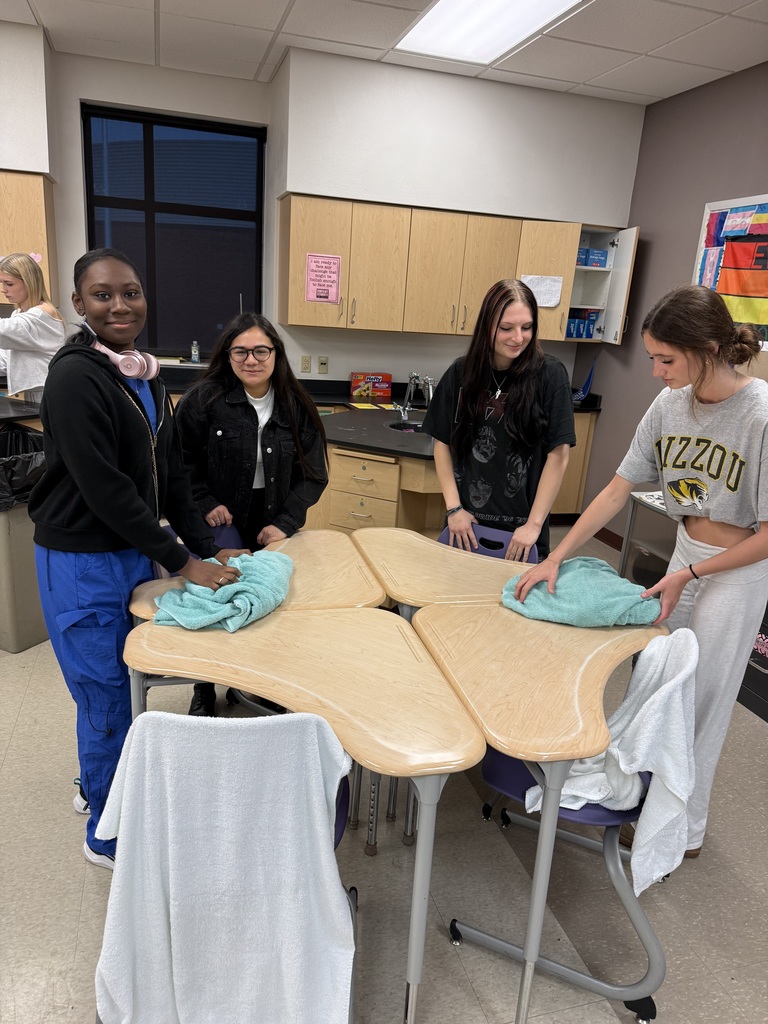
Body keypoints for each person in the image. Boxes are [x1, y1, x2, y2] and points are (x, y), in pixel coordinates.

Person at [514, 283, 768, 858]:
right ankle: (640, 797)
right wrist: (554, 556)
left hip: (735, 572)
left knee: (700, 700)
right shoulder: (669, 404)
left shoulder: (760, 414)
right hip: (685, 554)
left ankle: (684, 829)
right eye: (653, 357)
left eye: (666, 359)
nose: (656, 371)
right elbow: (616, 489)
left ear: (708, 349)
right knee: (656, 684)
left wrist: (691, 576)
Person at [28, 248, 246, 871]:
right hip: (82, 559)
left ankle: (95, 783)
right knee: (104, 693)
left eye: (131, 292)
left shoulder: (144, 375)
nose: (120, 305)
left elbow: (169, 474)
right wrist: (183, 562)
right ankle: (106, 833)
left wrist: (205, 549)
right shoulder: (76, 378)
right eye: (103, 295)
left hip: (127, 551)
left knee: (120, 683)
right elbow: (106, 490)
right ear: (79, 303)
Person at [175, 311, 329, 716]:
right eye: (240, 351)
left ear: (276, 353)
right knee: (218, 597)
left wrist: (285, 523)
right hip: (219, 517)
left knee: (270, 602)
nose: (251, 360)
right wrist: (205, 502)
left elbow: (314, 475)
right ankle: (204, 686)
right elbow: (179, 464)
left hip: (273, 515)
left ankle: (257, 681)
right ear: (227, 355)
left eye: (261, 350)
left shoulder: (297, 405)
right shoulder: (202, 401)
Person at [422, 279, 576, 561]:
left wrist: (534, 525)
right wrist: (454, 509)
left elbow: (559, 455)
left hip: (522, 534)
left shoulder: (550, 375)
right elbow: (441, 442)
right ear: (487, 326)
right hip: (465, 526)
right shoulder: (461, 373)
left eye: (526, 327)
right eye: (506, 328)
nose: (518, 338)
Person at [0, 252, 66, 400]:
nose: (3, 289)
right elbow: (6, 360)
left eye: (9, 284)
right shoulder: (19, 314)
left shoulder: (42, 315)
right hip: (33, 393)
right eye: (1, 283)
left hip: (47, 393)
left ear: (28, 282)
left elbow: (3, 330)